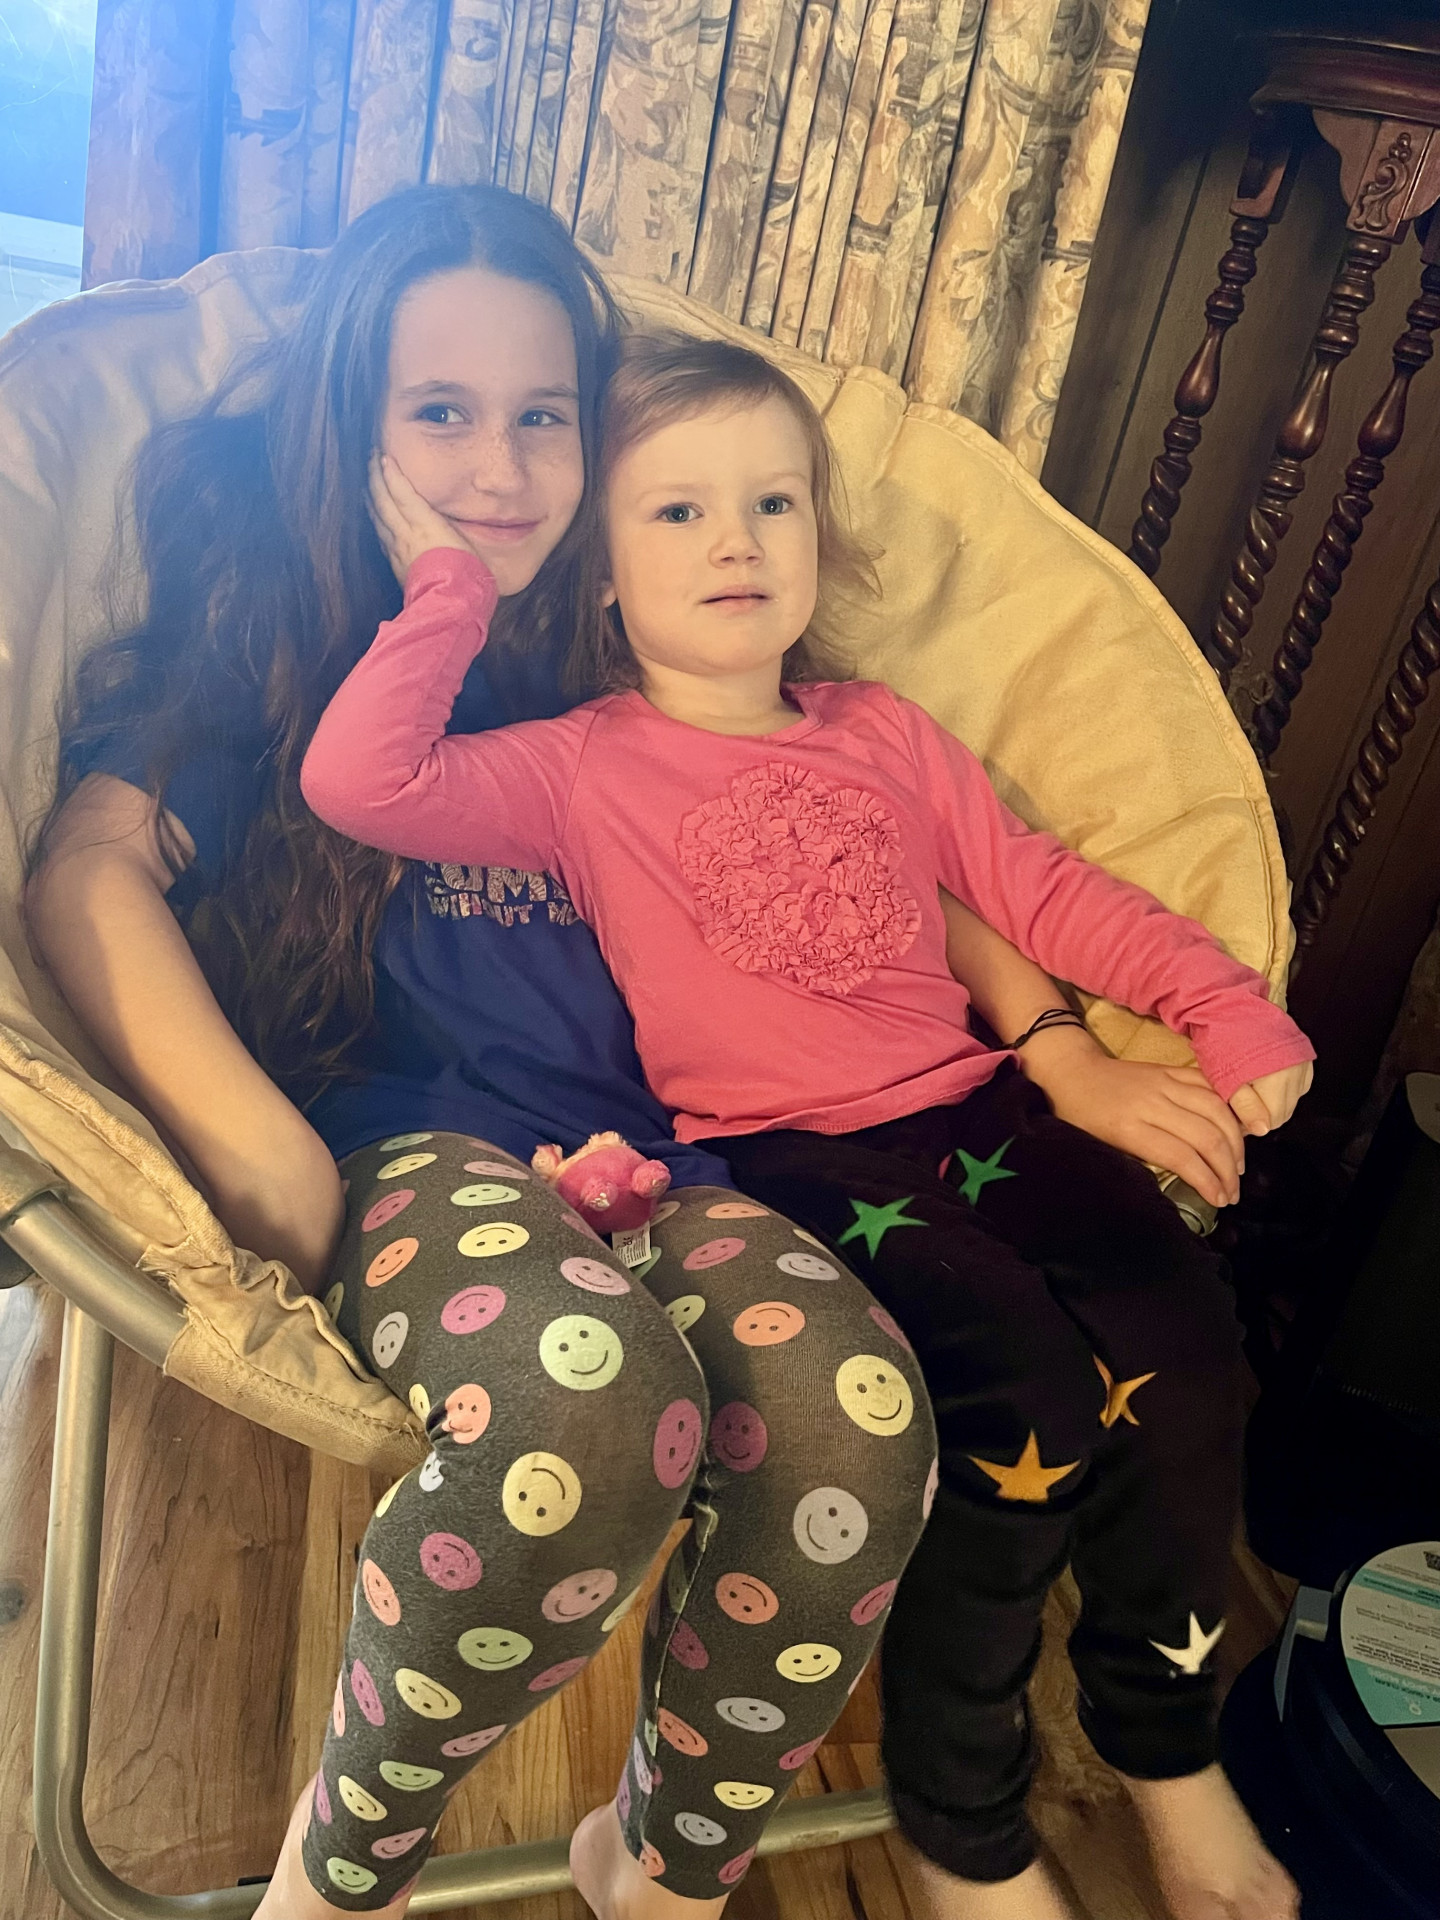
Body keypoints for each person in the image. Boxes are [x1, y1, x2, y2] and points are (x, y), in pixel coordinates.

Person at [301, 331, 1314, 1920]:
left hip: (978, 1105)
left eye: (773, 503)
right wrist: (451, 589)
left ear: (819, 539)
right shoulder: (578, 767)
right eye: (679, 511)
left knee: (1189, 1351)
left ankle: (1165, 1744)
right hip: (791, 1161)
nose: (737, 541)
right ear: (605, 576)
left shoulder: (884, 730)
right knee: (1025, 1398)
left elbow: (1038, 889)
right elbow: (362, 782)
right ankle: (960, 1812)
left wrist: (1213, 1000)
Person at [24, 188, 941, 1920]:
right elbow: (87, 870)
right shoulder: (277, 639)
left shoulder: (639, 624)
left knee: (857, 1419)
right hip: (415, 1147)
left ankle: (663, 1870)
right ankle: (340, 1877)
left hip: (664, 1150)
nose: (503, 470)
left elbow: (867, 817)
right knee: (586, 1407)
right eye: (440, 412)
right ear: (351, 427)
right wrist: (262, 1154)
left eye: (545, 416)